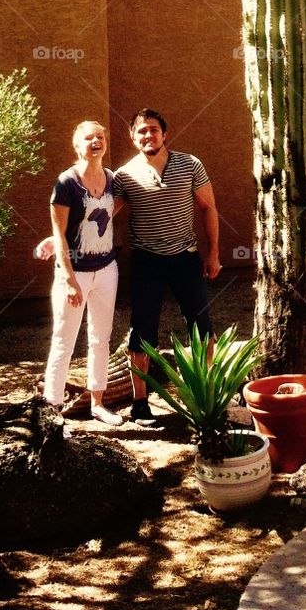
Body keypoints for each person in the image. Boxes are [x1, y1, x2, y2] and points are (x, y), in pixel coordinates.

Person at [113, 107, 222, 426]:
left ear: (165, 134)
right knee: (142, 331)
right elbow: (106, 215)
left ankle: (206, 394)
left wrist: (212, 253)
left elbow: (209, 208)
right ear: (133, 138)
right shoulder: (124, 175)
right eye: (142, 131)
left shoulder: (189, 164)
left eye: (153, 129)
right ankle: (140, 403)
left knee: (201, 326)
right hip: (147, 261)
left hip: (185, 257)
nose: (148, 134)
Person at [42, 120, 124, 427]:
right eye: (88, 138)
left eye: (100, 136)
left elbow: (103, 213)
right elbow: (60, 231)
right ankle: (52, 411)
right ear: (77, 146)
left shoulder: (113, 179)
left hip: (106, 269)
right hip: (74, 273)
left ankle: (97, 403)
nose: (96, 141)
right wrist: (69, 280)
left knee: (100, 339)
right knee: (63, 341)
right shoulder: (66, 182)